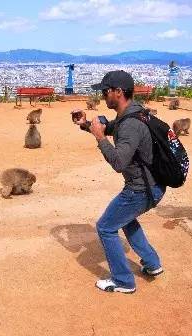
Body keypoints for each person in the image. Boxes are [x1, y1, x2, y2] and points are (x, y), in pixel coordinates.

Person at [72, 70, 165, 293]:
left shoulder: (131, 123)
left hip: (140, 189)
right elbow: (113, 128)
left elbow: (118, 163)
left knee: (105, 227)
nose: (103, 96)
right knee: (124, 219)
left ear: (118, 92)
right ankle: (152, 264)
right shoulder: (134, 113)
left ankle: (123, 281)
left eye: (106, 92)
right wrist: (87, 124)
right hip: (152, 185)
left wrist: (100, 138)